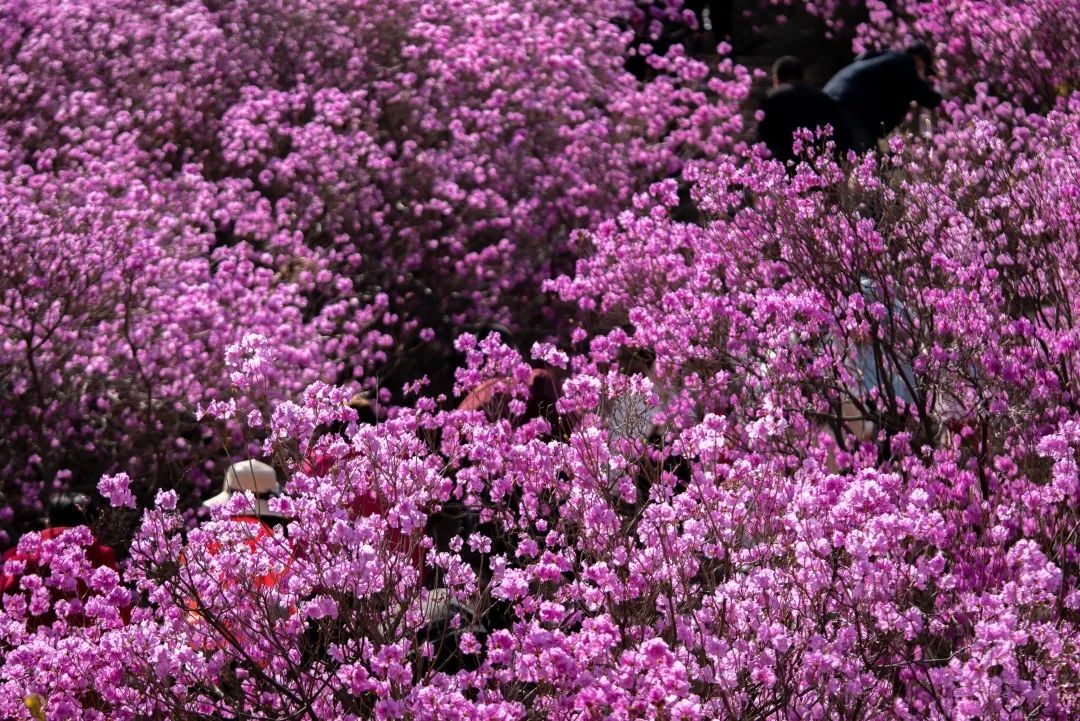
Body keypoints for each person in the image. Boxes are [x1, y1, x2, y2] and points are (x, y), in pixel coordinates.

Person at [0, 493, 121, 628]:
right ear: (91, 524)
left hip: (29, 640)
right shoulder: (102, 557)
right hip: (94, 642)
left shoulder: (21, 561)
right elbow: (120, 611)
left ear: (49, 522)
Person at [824, 42, 943, 152]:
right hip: (850, 104)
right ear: (919, 59)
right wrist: (942, 98)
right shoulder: (906, 61)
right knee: (866, 153)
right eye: (924, 69)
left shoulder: (887, 58)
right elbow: (926, 96)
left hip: (832, 95)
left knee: (839, 151)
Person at [757, 56, 851, 165]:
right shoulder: (823, 97)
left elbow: (763, 139)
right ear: (803, 77)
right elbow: (840, 134)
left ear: (776, 79)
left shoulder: (771, 98)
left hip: (783, 166)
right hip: (820, 166)